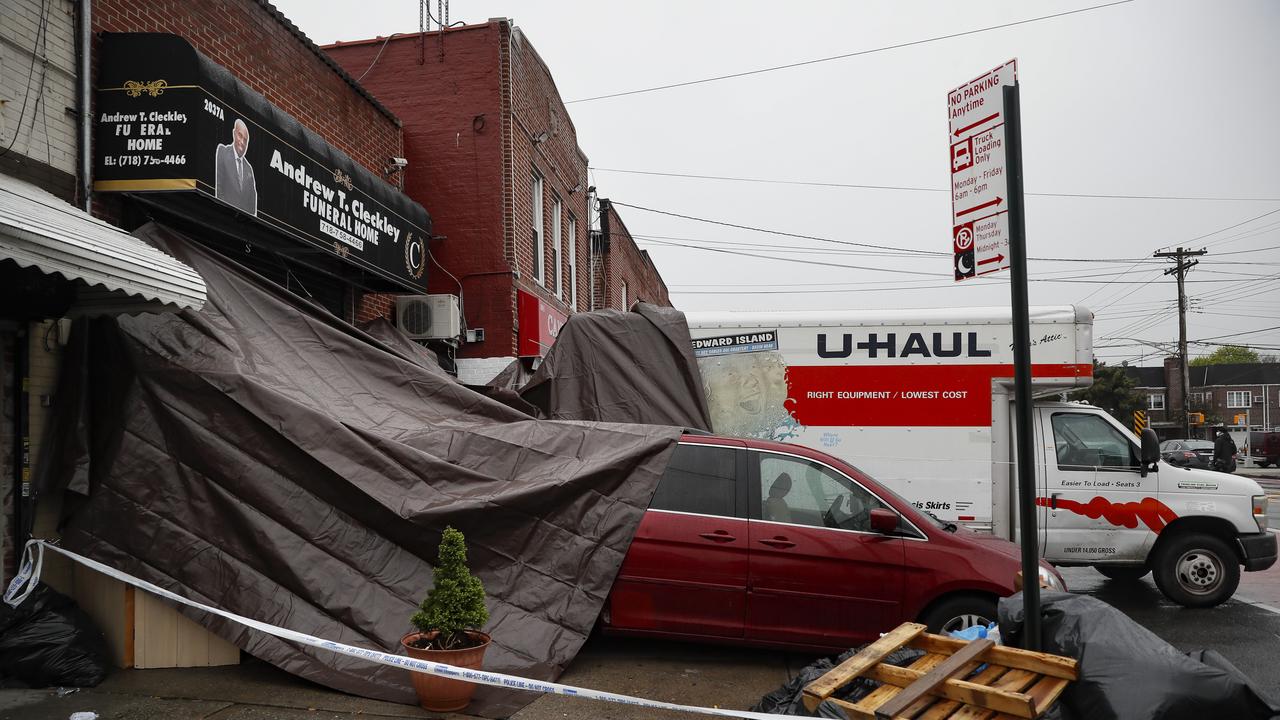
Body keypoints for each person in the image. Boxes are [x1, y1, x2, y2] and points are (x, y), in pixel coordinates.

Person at [214, 118, 257, 216]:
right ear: (234, 134)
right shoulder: (223, 152)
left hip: (240, 226)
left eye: (245, 140)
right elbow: (219, 187)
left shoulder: (249, 169)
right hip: (222, 215)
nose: (242, 142)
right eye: (240, 136)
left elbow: (252, 205)